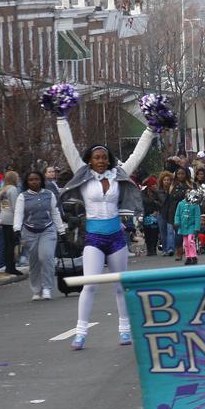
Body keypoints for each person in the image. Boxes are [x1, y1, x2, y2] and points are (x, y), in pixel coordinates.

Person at [55, 116, 155, 350]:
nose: (101, 161)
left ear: (109, 159)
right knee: (90, 285)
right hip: (94, 238)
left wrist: (150, 129)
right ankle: (80, 333)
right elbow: (67, 146)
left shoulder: (118, 174)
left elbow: (137, 155)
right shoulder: (82, 174)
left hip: (116, 238)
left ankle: (125, 330)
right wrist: (61, 118)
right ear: (89, 160)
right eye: (96, 158)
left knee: (120, 285)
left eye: (104, 157)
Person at [14, 170, 66, 300]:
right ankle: (37, 290)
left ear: (41, 180)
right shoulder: (22, 196)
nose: (34, 182)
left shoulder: (49, 194)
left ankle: (47, 288)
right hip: (29, 232)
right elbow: (18, 214)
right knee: (34, 261)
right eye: (31, 180)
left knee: (46, 257)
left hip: (47, 230)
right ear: (27, 182)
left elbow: (55, 213)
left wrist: (61, 230)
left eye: (36, 179)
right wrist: (16, 229)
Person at [0, 171, 22, 275]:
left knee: (5, 244)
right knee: (11, 244)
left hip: (2, 217)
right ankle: (11, 267)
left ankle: (6, 265)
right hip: (11, 219)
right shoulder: (13, 190)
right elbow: (15, 206)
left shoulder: (2, 190)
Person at [166, 167, 192, 261]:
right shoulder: (172, 186)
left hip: (187, 212)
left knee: (188, 234)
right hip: (174, 212)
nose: (180, 175)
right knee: (178, 234)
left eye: (182, 174)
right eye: (179, 174)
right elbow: (169, 200)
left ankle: (190, 252)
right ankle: (179, 251)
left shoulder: (190, 185)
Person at [174, 187, 202, 265]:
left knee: (191, 241)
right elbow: (177, 214)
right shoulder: (180, 203)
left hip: (191, 226)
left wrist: (197, 228)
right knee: (185, 243)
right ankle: (188, 257)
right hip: (183, 227)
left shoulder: (195, 204)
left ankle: (194, 256)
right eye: (187, 193)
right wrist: (177, 222)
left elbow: (197, 216)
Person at [141, 176, 163, 256]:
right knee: (147, 233)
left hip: (155, 215)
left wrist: (157, 210)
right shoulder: (143, 193)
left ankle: (153, 249)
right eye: (153, 185)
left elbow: (161, 203)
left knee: (154, 233)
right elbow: (144, 202)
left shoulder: (157, 193)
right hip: (146, 215)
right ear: (149, 186)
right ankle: (149, 248)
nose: (155, 186)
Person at [155, 172, 175, 255]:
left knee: (170, 231)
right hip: (162, 213)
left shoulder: (174, 190)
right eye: (165, 180)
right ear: (162, 181)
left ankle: (170, 249)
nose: (167, 181)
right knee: (163, 232)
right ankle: (164, 249)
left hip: (171, 213)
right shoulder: (159, 191)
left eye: (168, 180)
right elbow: (163, 201)